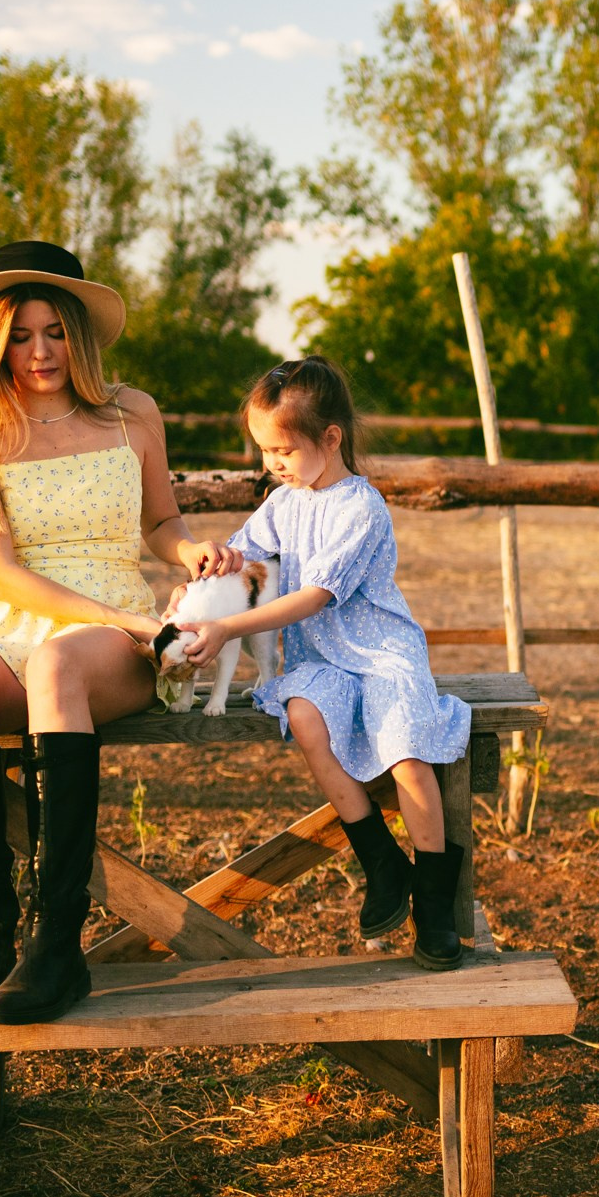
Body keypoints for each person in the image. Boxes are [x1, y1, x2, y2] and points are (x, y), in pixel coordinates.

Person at [0, 241, 234, 1024]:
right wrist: (122, 618)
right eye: (20, 336)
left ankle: (57, 942)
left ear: (79, 332)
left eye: (54, 331)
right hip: (15, 611)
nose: (40, 351)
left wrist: (187, 550)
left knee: (56, 667)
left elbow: (160, 520)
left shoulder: (133, 413)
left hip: (106, 633)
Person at [173, 357, 473, 969]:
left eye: (282, 449)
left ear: (330, 438)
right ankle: (382, 862)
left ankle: (436, 904)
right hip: (322, 656)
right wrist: (207, 571)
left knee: (407, 754)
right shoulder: (285, 502)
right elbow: (245, 554)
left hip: (381, 653)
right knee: (307, 721)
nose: (271, 465)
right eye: (264, 451)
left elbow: (313, 596)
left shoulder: (361, 508)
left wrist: (227, 624)